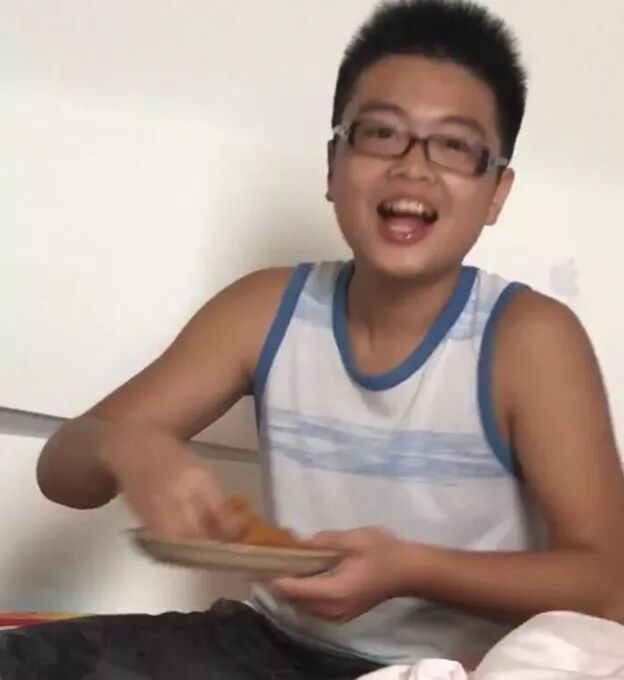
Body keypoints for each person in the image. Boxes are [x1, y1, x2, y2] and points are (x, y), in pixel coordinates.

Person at [3, 0, 624, 677]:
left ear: (497, 192)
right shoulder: (266, 309)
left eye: (454, 145)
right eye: (381, 133)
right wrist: (125, 444)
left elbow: (608, 583)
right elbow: (61, 474)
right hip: (267, 648)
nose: (412, 168)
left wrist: (413, 568)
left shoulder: (528, 340)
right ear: (333, 165)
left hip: (455, 666)